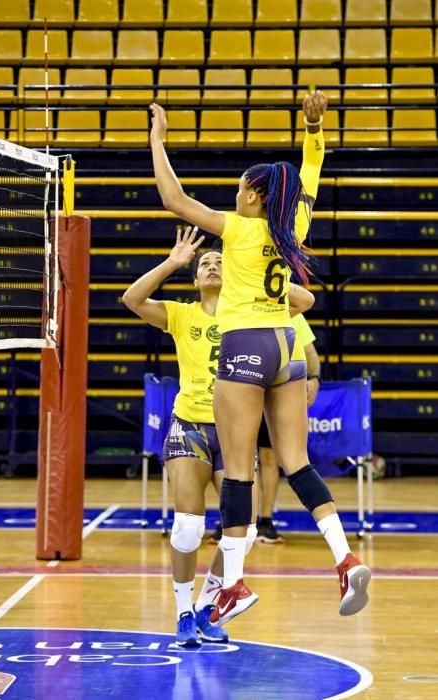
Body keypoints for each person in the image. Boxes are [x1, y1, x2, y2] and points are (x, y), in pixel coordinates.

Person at [148, 90, 371, 626]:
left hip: (245, 344)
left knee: (240, 468)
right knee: (296, 463)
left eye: (239, 188)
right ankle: (345, 557)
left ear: (251, 193)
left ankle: (232, 582)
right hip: (288, 344)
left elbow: (175, 200)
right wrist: (313, 128)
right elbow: (311, 167)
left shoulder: (240, 227)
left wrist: (157, 140)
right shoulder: (292, 223)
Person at [123, 228, 254, 647]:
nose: (212, 266)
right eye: (204, 265)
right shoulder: (182, 314)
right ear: (196, 280)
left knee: (244, 532)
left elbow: (301, 311)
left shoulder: (249, 315)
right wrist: (173, 262)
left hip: (235, 429)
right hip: (191, 424)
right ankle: (182, 614)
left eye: (219, 263)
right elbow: (131, 299)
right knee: (187, 528)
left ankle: (205, 608)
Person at [257, 313, 321, 543]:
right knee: (235, 459)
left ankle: (265, 520)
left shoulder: (289, 311)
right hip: (242, 388)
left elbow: (311, 353)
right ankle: (235, 520)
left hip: (274, 393)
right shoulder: (237, 307)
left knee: (269, 458)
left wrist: (314, 378)